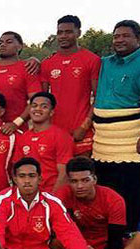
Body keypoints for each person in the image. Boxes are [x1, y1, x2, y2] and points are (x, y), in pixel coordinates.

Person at [92, 20, 140, 230]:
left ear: (138, 38)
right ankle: (114, 231)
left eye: (126, 35)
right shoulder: (106, 63)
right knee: (109, 187)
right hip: (105, 142)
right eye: (116, 36)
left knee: (136, 188)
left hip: (135, 139)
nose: (120, 40)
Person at [0, 158, 96, 249]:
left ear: (40, 179)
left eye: (32, 176)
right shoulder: (3, 199)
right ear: (15, 179)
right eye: (22, 176)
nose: (27, 181)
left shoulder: (52, 202)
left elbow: (70, 233)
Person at [41, 15, 101, 156]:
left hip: (81, 131)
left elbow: (98, 97)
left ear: (78, 33)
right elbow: (42, 100)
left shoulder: (92, 60)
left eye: (68, 32)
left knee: (81, 174)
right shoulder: (47, 63)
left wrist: (84, 126)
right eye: (60, 32)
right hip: (55, 131)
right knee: (57, 175)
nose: (63, 36)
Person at [54, 157, 126, 249]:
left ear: (94, 179)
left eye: (85, 180)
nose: (79, 186)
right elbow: (62, 232)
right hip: (74, 247)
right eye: (74, 181)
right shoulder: (62, 196)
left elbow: (115, 241)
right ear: (68, 182)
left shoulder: (114, 200)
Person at [10, 92, 73, 192]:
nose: (37, 109)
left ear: (51, 112)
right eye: (34, 106)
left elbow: (64, 173)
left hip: (51, 194)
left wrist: (52, 199)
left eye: (44, 106)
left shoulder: (61, 136)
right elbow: (16, 168)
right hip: (28, 195)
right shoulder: (23, 137)